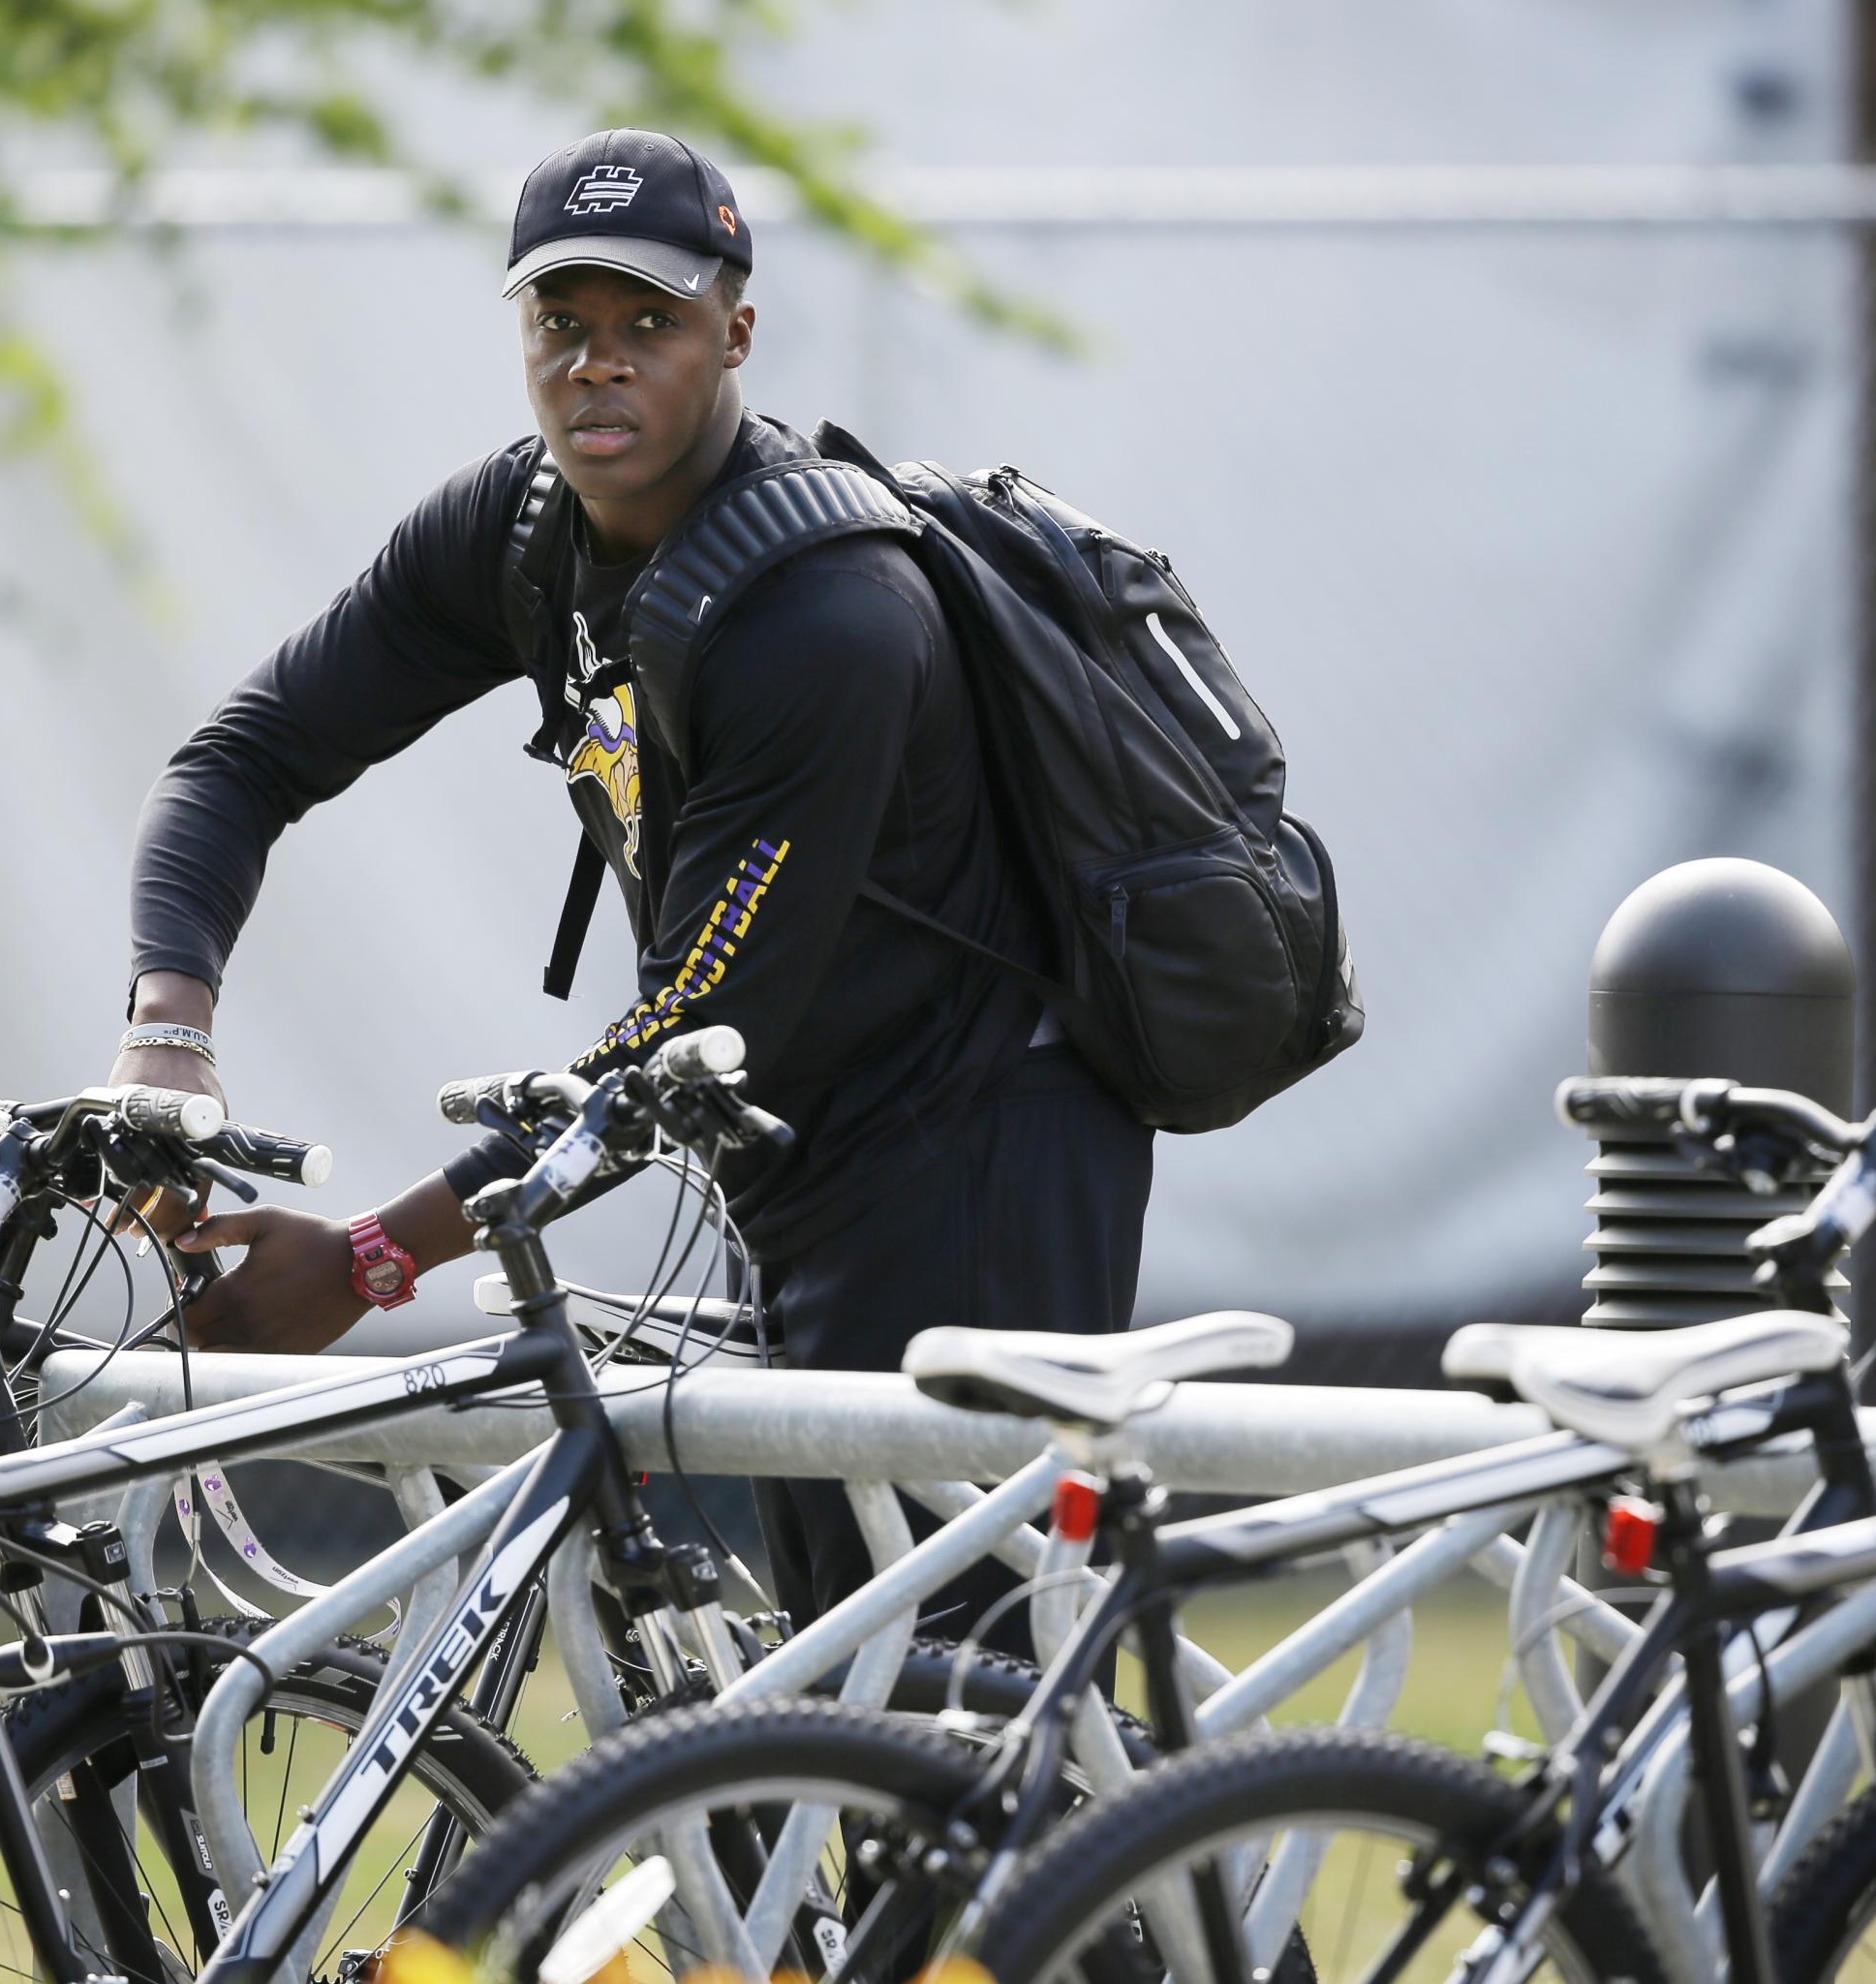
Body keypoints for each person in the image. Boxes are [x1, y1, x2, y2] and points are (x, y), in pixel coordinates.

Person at [110, 127, 1152, 1644]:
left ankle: (1121, 1873)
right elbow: (243, 759)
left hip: (981, 1143)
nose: (598, 367)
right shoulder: (517, 531)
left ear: (734, 332)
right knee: (837, 1703)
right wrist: (167, 1038)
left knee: (952, 1707)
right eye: (562, 324)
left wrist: (367, 1259)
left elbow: (688, 1035)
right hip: (796, 1141)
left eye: (649, 325)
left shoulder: (831, 620)